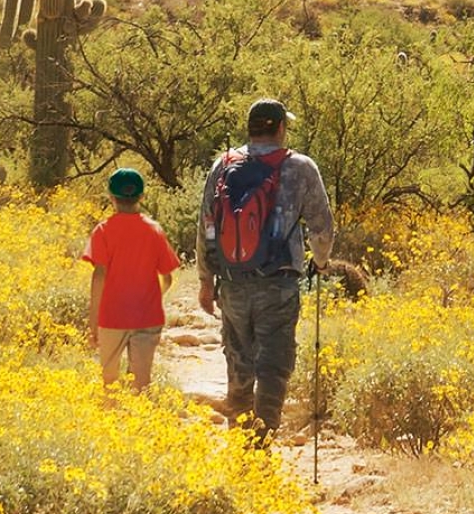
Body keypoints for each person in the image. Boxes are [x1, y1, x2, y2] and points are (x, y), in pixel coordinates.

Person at [197, 97, 356, 436]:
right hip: (278, 284)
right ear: (281, 128)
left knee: (238, 362)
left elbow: (206, 225)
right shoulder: (300, 167)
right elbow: (322, 228)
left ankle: (239, 443)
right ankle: (261, 444)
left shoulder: (222, 165)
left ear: (251, 128)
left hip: (233, 282)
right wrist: (322, 263)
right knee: (273, 365)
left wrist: (206, 282)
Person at [80, 166, 183, 391]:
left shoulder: (103, 231)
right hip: (147, 318)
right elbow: (167, 278)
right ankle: (138, 422)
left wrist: (93, 320)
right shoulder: (154, 230)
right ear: (142, 196)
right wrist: (154, 297)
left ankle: (111, 421)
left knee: (109, 381)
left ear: (111, 198)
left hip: (111, 318)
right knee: (141, 382)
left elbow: (99, 276)